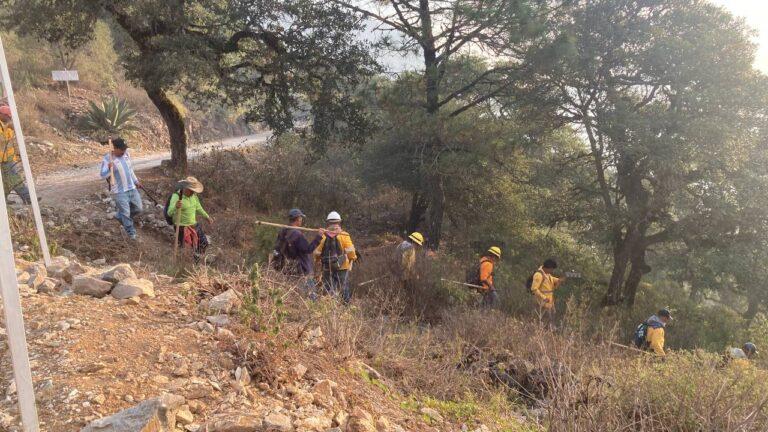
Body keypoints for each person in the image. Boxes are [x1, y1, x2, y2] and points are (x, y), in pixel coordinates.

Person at [273, 209, 323, 297]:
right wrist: (319, 236)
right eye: (301, 218)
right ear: (298, 219)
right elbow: (308, 249)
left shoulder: (283, 232)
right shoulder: (297, 235)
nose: (301, 220)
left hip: (288, 269)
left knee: (295, 295)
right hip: (302, 270)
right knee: (311, 296)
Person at [99, 137, 142, 240]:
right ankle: (131, 234)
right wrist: (109, 168)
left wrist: (136, 181)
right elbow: (102, 175)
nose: (124, 151)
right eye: (122, 149)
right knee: (126, 213)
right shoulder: (107, 158)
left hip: (132, 187)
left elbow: (130, 170)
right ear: (115, 148)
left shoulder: (126, 154)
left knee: (138, 208)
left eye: (125, 148)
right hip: (119, 191)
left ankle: (120, 216)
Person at [314, 211, 357, 303]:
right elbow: (351, 251)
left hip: (327, 267)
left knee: (327, 289)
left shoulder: (323, 236)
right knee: (343, 288)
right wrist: (353, 258)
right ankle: (345, 307)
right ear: (339, 222)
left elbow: (317, 253)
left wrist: (317, 261)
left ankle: (327, 306)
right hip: (342, 267)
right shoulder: (344, 235)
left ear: (328, 223)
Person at [167, 177, 212, 260]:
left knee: (204, 243)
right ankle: (185, 265)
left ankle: (196, 261)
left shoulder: (194, 196)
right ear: (186, 188)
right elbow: (169, 212)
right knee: (186, 250)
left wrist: (207, 216)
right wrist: (176, 207)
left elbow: (198, 207)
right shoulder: (176, 197)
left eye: (194, 191)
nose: (193, 192)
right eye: (191, 190)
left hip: (194, 226)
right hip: (181, 228)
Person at [0, 105, 31, 204]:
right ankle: (27, 198)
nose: (10, 118)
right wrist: (7, 127)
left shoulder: (7, 124)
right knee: (15, 178)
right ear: (1, 114)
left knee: (7, 180)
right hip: (2, 159)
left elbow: (11, 141)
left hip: (8, 158)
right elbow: (2, 140)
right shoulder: (4, 125)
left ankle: (3, 201)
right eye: (8, 116)